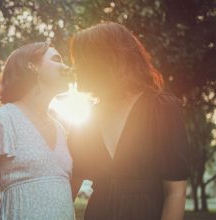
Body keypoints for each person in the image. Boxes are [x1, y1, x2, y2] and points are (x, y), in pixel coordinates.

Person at [69, 22, 190, 220]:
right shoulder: (87, 119)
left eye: (83, 60)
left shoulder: (162, 108)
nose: (77, 68)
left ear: (109, 59)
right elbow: (69, 188)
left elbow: (176, 192)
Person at [0, 41, 75, 220]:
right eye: (56, 59)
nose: (65, 66)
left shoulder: (61, 129)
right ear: (32, 66)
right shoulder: (2, 119)